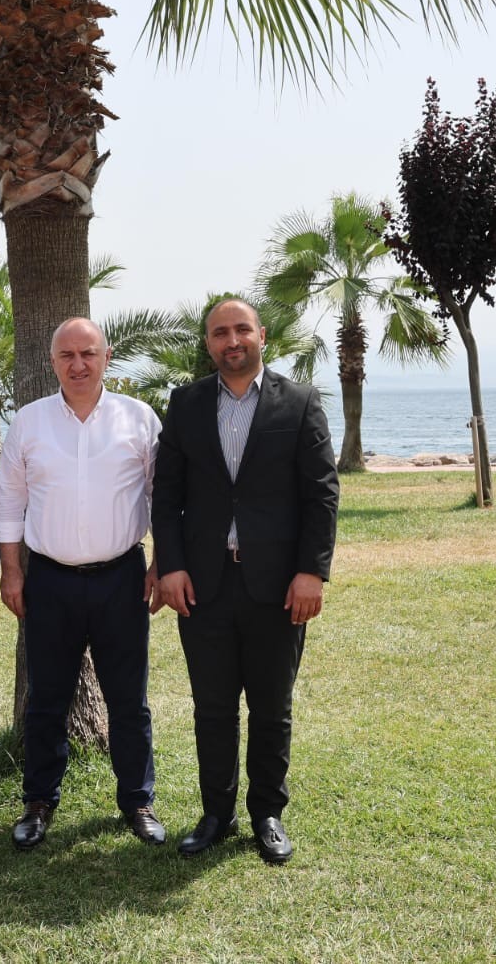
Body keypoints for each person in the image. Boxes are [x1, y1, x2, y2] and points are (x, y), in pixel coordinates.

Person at [151, 297, 339, 864]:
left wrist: (312, 571)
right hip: (203, 585)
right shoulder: (185, 404)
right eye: (219, 333)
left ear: (261, 336)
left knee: (271, 706)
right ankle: (216, 813)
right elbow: (167, 494)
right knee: (211, 707)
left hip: (278, 586)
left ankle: (267, 813)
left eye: (241, 330)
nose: (231, 341)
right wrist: (171, 565)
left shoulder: (300, 402)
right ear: (208, 343)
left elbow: (322, 493)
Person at [0, 317, 166, 851]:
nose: (78, 364)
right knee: (47, 699)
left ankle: (138, 801)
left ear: (106, 357)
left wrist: (161, 564)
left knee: (128, 699)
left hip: (123, 578)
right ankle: (38, 802)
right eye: (66, 355)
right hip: (50, 580)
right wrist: (11, 571)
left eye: (88, 353)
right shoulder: (29, 422)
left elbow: (163, 497)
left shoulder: (139, 418)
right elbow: (9, 503)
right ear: (52, 362)